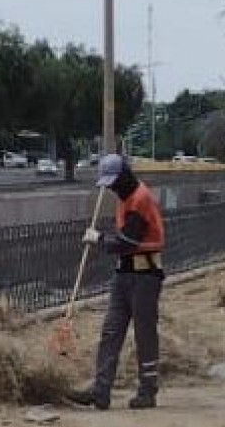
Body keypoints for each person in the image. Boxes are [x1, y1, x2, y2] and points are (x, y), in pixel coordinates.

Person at [69, 153, 166, 410]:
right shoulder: (125, 198)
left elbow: (127, 242)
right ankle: (101, 390)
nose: (112, 189)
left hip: (145, 276)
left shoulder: (141, 199)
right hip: (123, 274)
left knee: (144, 333)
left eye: (114, 183)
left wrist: (98, 239)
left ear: (124, 176)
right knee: (111, 332)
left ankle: (147, 391)